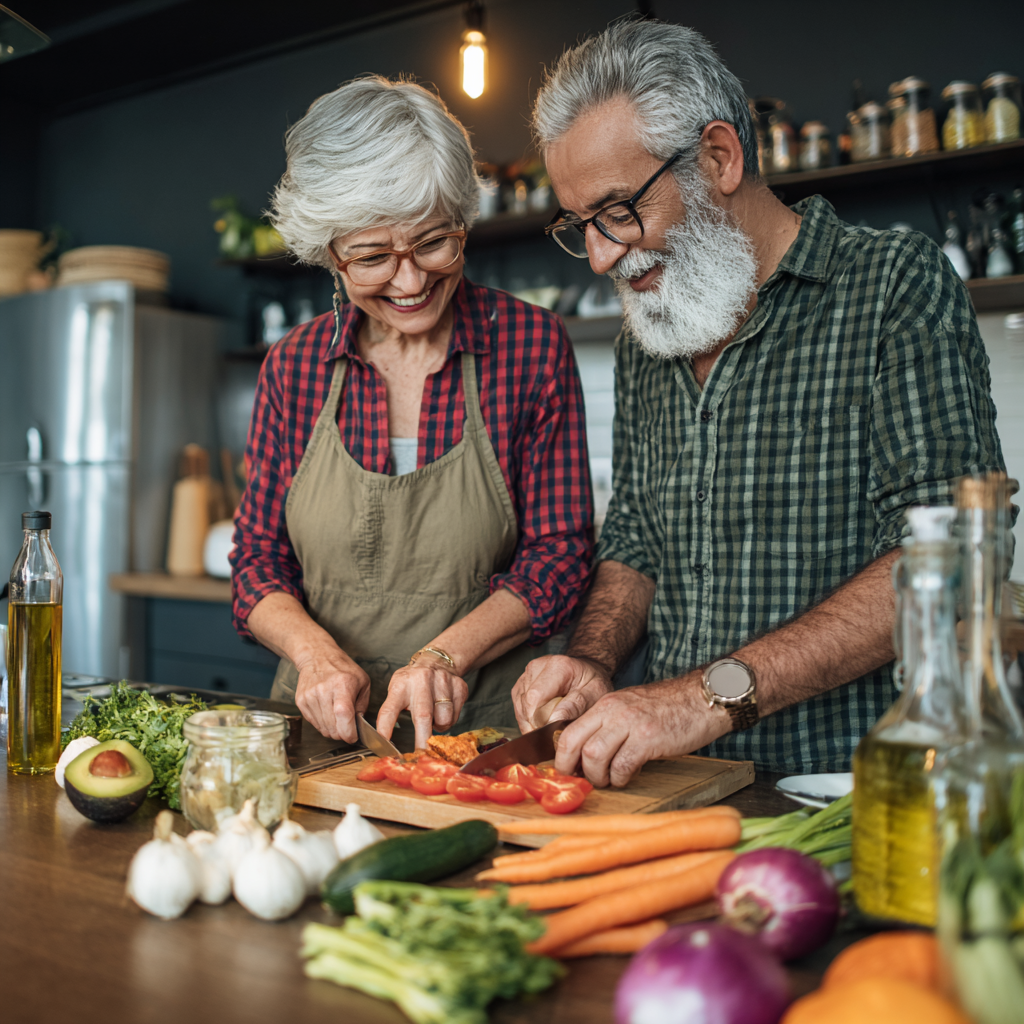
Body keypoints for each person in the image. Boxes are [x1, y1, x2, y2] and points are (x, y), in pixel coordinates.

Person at [512, 20, 1007, 785]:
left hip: (842, 788)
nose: (606, 254)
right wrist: (591, 658)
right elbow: (637, 534)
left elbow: (947, 559)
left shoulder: (891, 285)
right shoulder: (650, 328)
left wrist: (700, 702)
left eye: (618, 210)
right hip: (673, 784)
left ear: (719, 157)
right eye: (583, 226)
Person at [231, 77, 594, 749]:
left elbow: (559, 555)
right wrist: (313, 653)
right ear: (329, 256)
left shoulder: (531, 347)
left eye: (434, 243)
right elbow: (257, 559)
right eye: (372, 256)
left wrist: (445, 656)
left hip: (477, 731)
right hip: (317, 731)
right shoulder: (294, 366)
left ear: (462, 220)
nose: (410, 281)